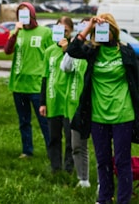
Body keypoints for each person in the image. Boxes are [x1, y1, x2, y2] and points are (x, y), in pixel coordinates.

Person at [67, 13, 139, 204]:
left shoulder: (125, 51)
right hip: (98, 115)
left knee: (122, 162)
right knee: (103, 161)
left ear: (113, 30)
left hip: (123, 114)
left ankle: (123, 200)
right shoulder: (92, 51)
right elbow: (72, 50)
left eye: (105, 28)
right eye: (99, 29)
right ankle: (104, 198)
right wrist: (88, 26)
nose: (102, 32)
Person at [3, 2, 53, 158]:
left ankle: (52, 152)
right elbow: (7, 51)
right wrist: (16, 32)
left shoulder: (45, 32)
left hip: (37, 85)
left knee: (44, 122)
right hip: (19, 84)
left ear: (32, 14)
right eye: (20, 15)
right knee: (24, 121)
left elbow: (52, 54)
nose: (23, 18)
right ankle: (27, 151)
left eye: (26, 14)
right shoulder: (16, 32)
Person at [39, 16, 74, 173]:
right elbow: (45, 78)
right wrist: (43, 102)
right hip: (53, 100)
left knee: (70, 138)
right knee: (54, 137)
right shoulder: (49, 51)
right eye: (59, 30)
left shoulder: (75, 50)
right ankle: (55, 167)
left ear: (71, 31)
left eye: (65, 30)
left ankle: (69, 168)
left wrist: (67, 50)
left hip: (69, 101)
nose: (63, 34)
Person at [61, 17, 91, 188]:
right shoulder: (77, 50)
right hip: (76, 104)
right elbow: (65, 67)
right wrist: (73, 45)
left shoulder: (95, 50)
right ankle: (83, 179)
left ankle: (104, 180)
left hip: (95, 104)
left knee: (102, 146)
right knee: (77, 145)